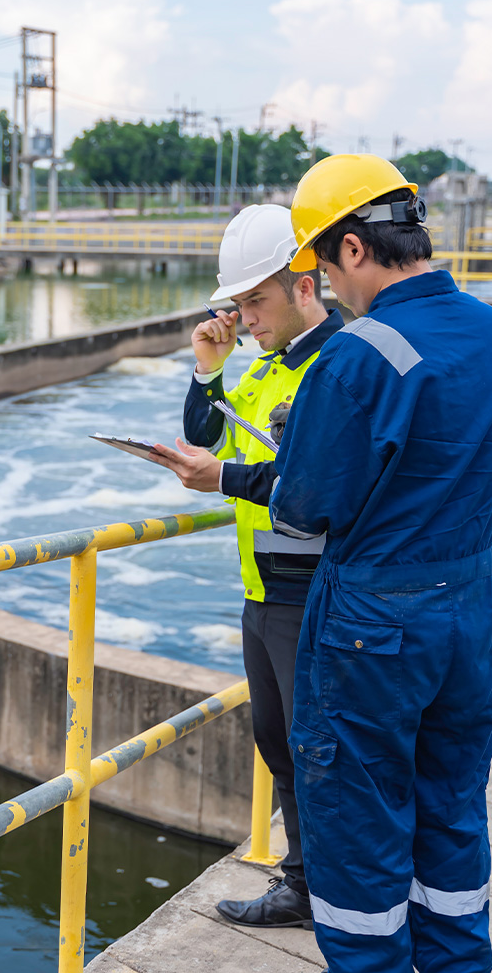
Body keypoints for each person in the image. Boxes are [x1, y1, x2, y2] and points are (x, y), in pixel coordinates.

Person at [146, 154, 492, 973]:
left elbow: (308, 504)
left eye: (320, 258)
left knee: (357, 829)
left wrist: (273, 460)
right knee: (451, 812)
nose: (321, 278)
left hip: (371, 625)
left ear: (353, 248)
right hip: (466, 606)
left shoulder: (361, 357)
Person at [148, 203, 346, 930]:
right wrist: (209, 367)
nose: (247, 318)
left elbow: (314, 484)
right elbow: (204, 433)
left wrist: (225, 476)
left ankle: (344, 899)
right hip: (263, 591)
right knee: (280, 747)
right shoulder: (264, 370)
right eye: (237, 305)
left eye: (255, 303)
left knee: (321, 755)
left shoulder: (339, 365)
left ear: (305, 285)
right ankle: (302, 884)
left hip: (313, 593)